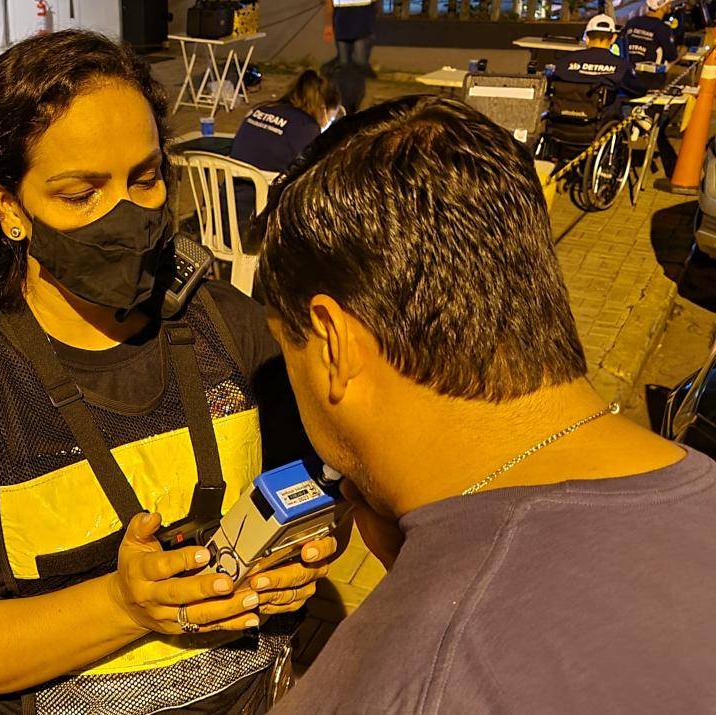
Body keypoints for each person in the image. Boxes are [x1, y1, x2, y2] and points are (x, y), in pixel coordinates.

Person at [0, 30, 340, 714]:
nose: (127, 217)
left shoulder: (230, 325)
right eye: (81, 192)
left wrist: (306, 551)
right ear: (8, 208)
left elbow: (323, 495)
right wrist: (121, 605)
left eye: (145, 179)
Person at [252, 95, 716, 713]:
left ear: (334, 344)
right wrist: (431, 566)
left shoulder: (403, 683)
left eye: (288, 355)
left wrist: (430, 603)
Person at [228, 69, 340, 253]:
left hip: (224, 217)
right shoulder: (306, 127)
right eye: (331, 117)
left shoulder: (260, 109)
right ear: (323, 108)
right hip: (258, 233)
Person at [554, 14, 647, 97]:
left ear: (586, 38)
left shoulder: (564, 61)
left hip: (562, 110)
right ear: (613, 38)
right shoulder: (621, 67)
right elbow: (639, 90)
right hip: (603, 111)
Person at [322, 0, 375, 113]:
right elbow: (329, 4)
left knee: (360, 62)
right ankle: (344, 101)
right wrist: (328, 26)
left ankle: (356, 98)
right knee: (344, 64)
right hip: (342, 22)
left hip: (363, 21)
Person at [621, 0, 678, 89]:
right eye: (668, 4)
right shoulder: (663, 29)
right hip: (650, 81)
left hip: (627, 78)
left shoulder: (631, 22)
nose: (670, 6)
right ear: (661, 6)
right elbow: (671, 56)